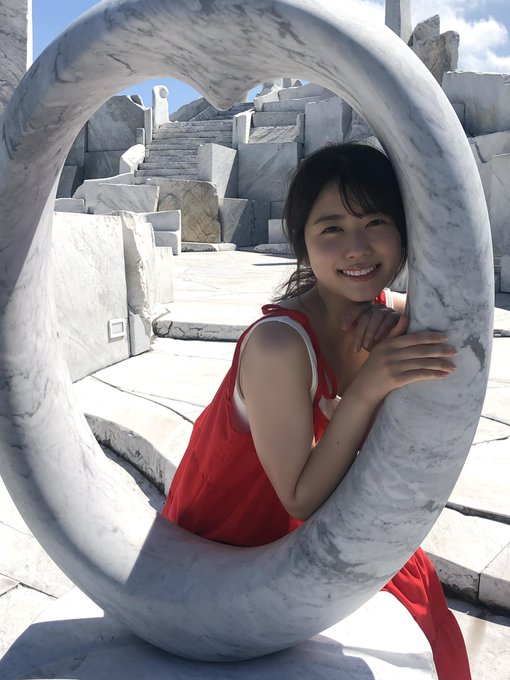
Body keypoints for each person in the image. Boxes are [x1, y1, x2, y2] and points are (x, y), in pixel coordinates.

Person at [162, 143, 471, 680]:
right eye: (331, 228)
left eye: (376, 222)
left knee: (425, 611)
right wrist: (369, 386)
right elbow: (299, 498)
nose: (357, 247)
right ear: (302, 241)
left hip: (335, 519)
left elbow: (464, 328)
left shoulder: (389, 316)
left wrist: (397, 326)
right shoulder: (278, 345)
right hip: (235, 544)